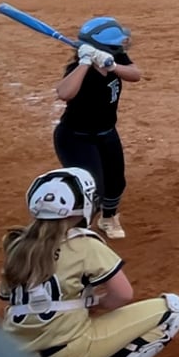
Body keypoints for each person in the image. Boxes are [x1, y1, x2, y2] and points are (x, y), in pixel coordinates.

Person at [0, 167, 179, 357]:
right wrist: (94, 305)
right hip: (66, 355)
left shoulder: (15, 243)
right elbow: (122, 295)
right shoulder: (84, 244)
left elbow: (10, 297)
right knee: (172, 310)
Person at [53, 18, 142, 239]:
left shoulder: (115, 58)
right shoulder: (78, 69)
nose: (122, 45)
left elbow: (136, 75)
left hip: (107, 133)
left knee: (116, 182)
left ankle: (108, 218)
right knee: (91, 189)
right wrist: (85, 63)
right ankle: (79, 230)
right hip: (76, 138)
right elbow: (64, 93)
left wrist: (112, 66)